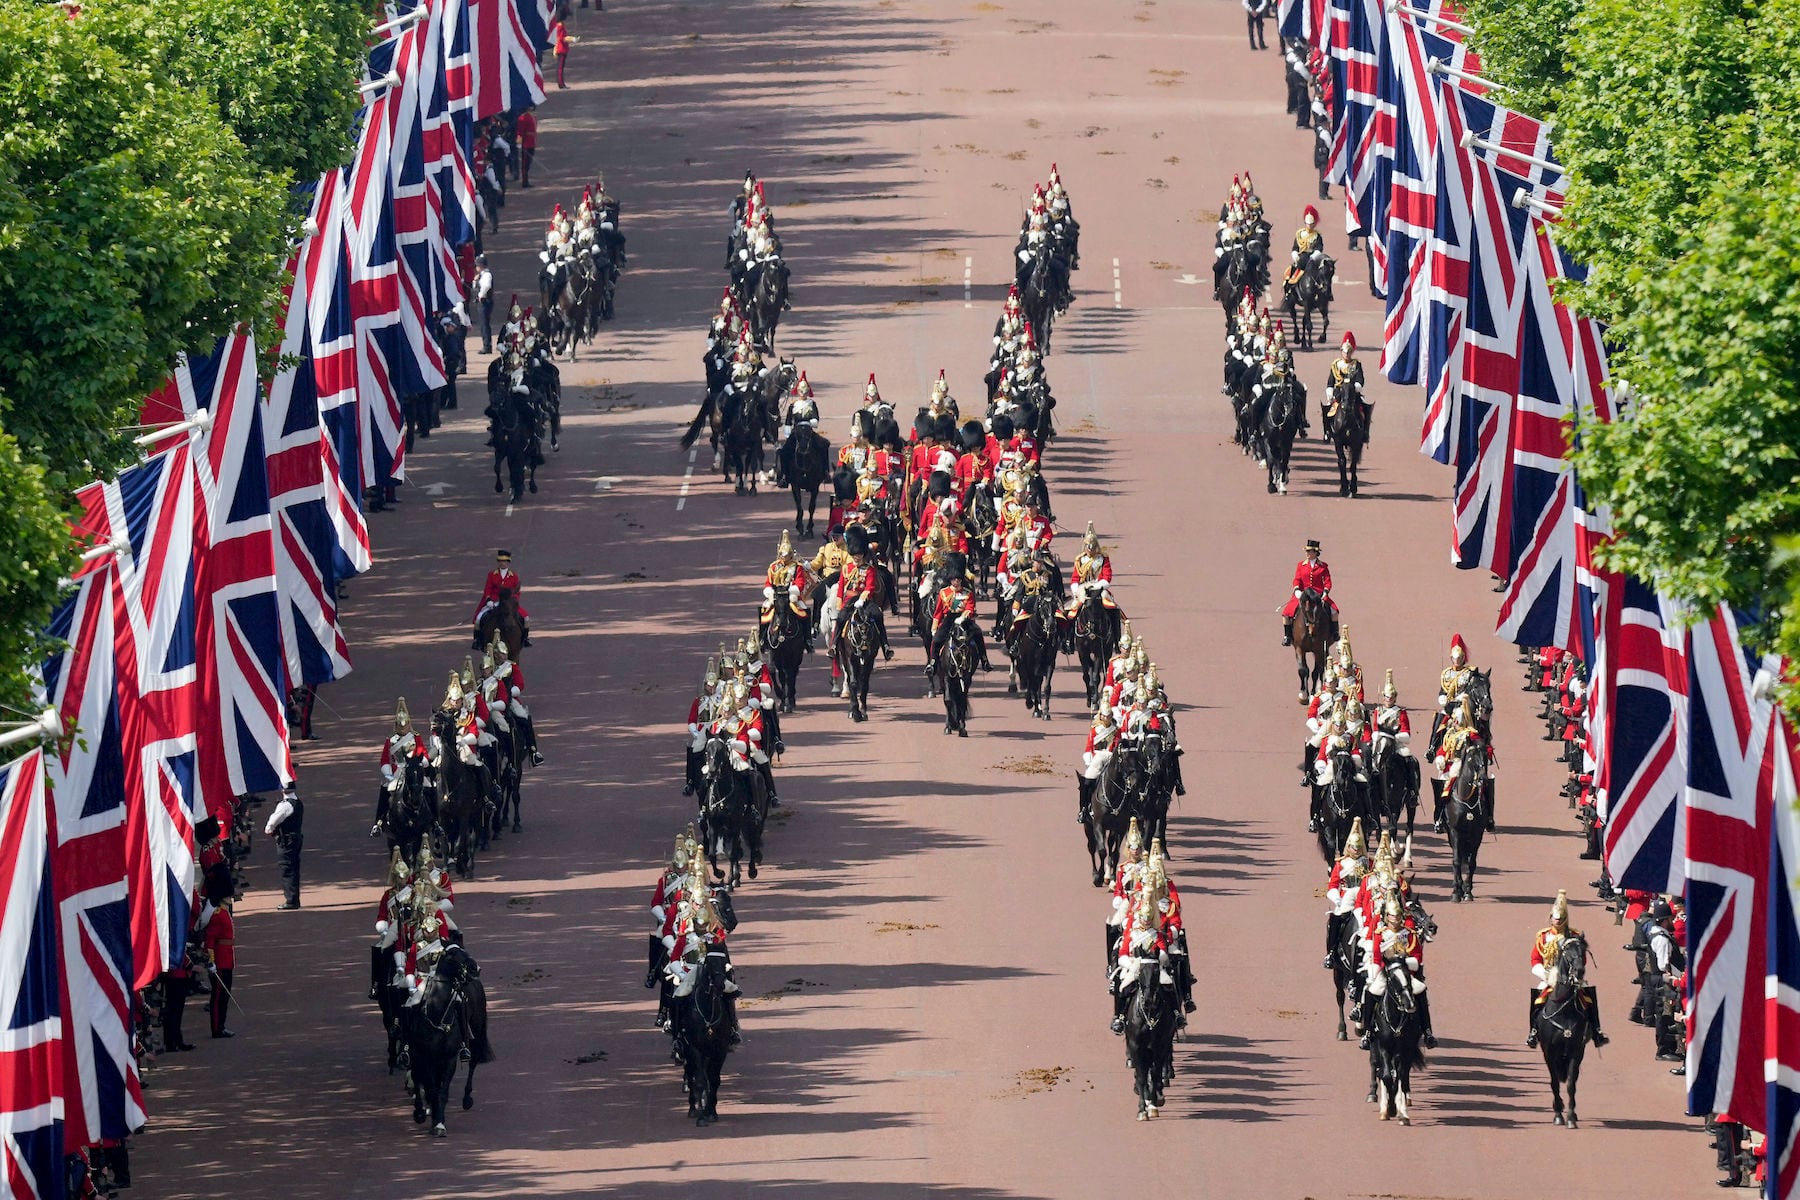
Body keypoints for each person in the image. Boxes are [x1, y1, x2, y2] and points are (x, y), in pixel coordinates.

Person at [1527, 889, 1608, 1049]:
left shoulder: (1574, 936)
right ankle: (1534, 1031)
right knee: (1538, 998)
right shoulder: (1543, 936)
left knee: (1589, 996)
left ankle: (1596, 1030)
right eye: (1555, 919)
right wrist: (1545, 975)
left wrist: (1575, 973)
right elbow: (1535, 959)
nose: (1557, 922)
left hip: (1570, 975)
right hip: (1549, 976)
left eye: (1560, 919)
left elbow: (1581, 958)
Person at [1280, 538, 1336, 646]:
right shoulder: (1301, 565)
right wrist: (1296, 589)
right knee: (1286, 613)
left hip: (1318, 594)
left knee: (1334, 611)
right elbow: (1297, 579)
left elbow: (1327, 581)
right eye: (1306, 551)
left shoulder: (1323, 566)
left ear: (1315, 552)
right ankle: (1287, 636)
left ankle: (1334, 633)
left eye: (1309, 551)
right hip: (1303, 594)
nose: (1307, 553)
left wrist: (1325, 592)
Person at [472, 548, 531, 650]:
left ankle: (525, 639)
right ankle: (477, 640)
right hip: (493, 602)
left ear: (508, 562)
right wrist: (489, 600)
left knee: (526, 618)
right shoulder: (492, 574)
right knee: (478, 619)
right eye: (500, 561)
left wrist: (511, 602)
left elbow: (516, 593)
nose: (502, 563)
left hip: (509, 603)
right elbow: (487, 589)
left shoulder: (514, 576)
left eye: (504, 561)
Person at [264, 779, 304, 910]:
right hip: (295, 838)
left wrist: (269, 829)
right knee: (294, 868)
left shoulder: (285, 805)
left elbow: (273, 820)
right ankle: (294, 898)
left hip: (286, 840)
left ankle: (291, 900)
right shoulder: (297, 802)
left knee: (287, 869)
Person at [1079, 704, 1121, 825]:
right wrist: (1089, 760)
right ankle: (1084, 809)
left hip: (1111, 760)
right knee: (1086, 782)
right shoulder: (1094, 731)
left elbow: (1116, 747)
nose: (1106, 718)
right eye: (1104, 716)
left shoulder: (1116, 731)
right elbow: (1089, 747)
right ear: (1101, 716)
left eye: (1108, 716)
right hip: (1096, 760)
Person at [202, 898, 236, 1039]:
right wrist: (211, 961)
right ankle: (216, 1028)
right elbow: (210, 940)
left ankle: (221, 1025)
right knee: (218, 997)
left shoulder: (225, 912)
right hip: (220, 960)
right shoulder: (218, 914)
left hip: (227, 959)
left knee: (224, 996)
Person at [474, 256, 495, 354]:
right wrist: (475, 280)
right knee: (483, 324)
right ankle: (486, 344)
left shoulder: (487, 275)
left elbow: (486, 286)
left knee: (484, 324)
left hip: (485, 302)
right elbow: (475, 286)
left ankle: (487, 346)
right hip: (482, 302)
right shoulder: (481, 275)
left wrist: (480, 295)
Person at [515, 108, 538, 188]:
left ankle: (526, 180)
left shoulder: (532, 116)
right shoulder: (523, 117)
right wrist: (519, 143)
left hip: (531, 142)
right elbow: (519, 132)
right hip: (526, 144)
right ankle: (525, 182)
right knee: (525, 165)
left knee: (528, 163)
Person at [552, 18, 570, 88]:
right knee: (560, 67)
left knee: (559, 67)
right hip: (561, 48)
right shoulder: (560, 26)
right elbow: (562, 38)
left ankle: (560, 82)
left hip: (559, 47)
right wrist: (572, 39)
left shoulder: (556, 26)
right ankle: (561, 83)